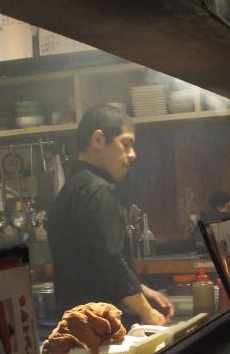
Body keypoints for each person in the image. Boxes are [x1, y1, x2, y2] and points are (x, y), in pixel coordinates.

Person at [47, 104, 174, 326]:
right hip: (102, 329)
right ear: (98, 140)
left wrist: (142, 291)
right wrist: (146, 311)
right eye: (126, 144)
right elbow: (110, 261)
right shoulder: (99, 190)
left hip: (79, 325)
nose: (132, 154)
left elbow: (92, 262)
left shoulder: (72, 189)